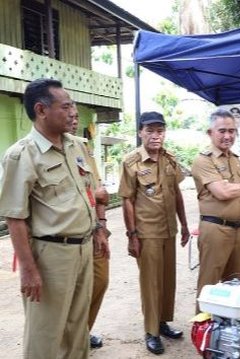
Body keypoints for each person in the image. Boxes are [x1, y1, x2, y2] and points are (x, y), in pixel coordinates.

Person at [0, 78, 108, 358]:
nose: (74, 112)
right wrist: (28, 268)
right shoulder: (21, 155)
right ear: (41, 110)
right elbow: (15, 218)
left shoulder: (76, 146)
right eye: (66, 106)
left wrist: (97, 228)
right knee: (45, 334)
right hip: (51, 256)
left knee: (77, 330)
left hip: (83, 250)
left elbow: (86, 193)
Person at [118, 111, 190, 355]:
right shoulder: (131, 162)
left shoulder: (170, 160)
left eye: (160, 131)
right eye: (150, 131)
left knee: (167, 280)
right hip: (147, 232)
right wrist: (132, 235)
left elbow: (177, 193)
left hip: (169, 229)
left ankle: (162, 322)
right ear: (140, 132)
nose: (155, 136)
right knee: (150, 283)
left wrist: (185, 225)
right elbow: (127, 200)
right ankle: (151, 331)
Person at [191, 109, 240, 312]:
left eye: (232, 131)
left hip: (239, 229)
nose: (228, 136)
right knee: (209, 284)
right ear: (210, 132)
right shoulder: (203, 160)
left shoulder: (234, 159)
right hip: (215, 229)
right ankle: (202, 332)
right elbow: (222, 192)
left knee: (234, 284)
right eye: (222, 131)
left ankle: (226, 331)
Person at [69, 104, 110, 349]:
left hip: (94, 229)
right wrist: (93, 194)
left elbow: (101, 193)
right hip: (67, 236)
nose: (74, 121)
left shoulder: (84, 149)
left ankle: (83, 331)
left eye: (76, 117)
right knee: (71, 291)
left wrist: (102, 225)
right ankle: (71, 338)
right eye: (69, 115)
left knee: (100, 281)